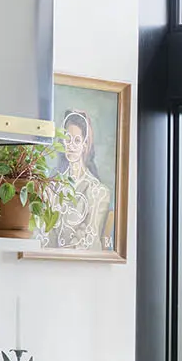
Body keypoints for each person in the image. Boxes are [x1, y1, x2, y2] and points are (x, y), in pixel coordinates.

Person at [48, 108, 114, 253]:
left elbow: (88, 240)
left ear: (85, 145)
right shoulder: (51, 187)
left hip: (81, 266)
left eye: (77, 140)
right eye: (67, 139)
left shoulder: (98, 192)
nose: (71, 145)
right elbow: (45, 235)